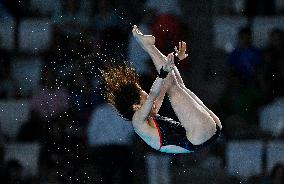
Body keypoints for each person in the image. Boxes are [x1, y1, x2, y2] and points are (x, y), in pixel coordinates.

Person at [101, 25, 221, 154]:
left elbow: (165, 85)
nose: (147, 97)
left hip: (205, 131)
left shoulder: (150, 115)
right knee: (174, 89)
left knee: (176, 86)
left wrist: (175, 60)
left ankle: (148, 46)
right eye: (144, 97)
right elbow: (154, 93)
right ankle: (147, 46)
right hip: (199, 136)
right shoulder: (137, 121)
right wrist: (163, 72)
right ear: (136, 107)